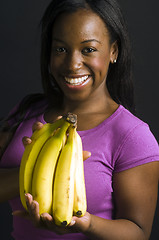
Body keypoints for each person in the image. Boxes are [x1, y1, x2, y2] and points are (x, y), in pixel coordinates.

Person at [0, 0, 159, 239]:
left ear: (113, 51)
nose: (73, 64)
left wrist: (86, 224)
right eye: (61, 49)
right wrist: (35, 165)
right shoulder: (27, 110)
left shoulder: (133, 136)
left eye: (88, 49)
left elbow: (139, 232)